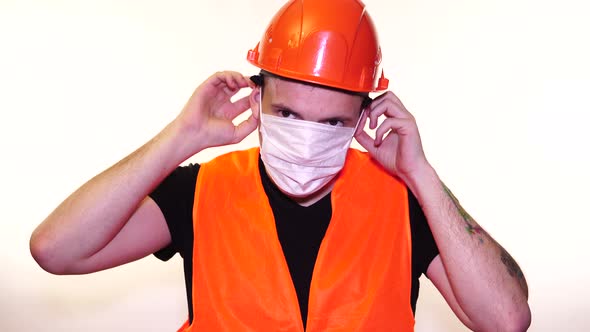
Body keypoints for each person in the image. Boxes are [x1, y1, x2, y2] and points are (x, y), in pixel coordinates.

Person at [30, 0, 531, 331]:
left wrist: (420, 174)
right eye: (288, 113)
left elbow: (507, 319)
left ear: (364, 116)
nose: (308, 138)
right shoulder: (200, 192)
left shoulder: (402, 204)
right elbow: (56, 249)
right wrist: (178, 140)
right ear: (257, 96)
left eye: (332, 122)